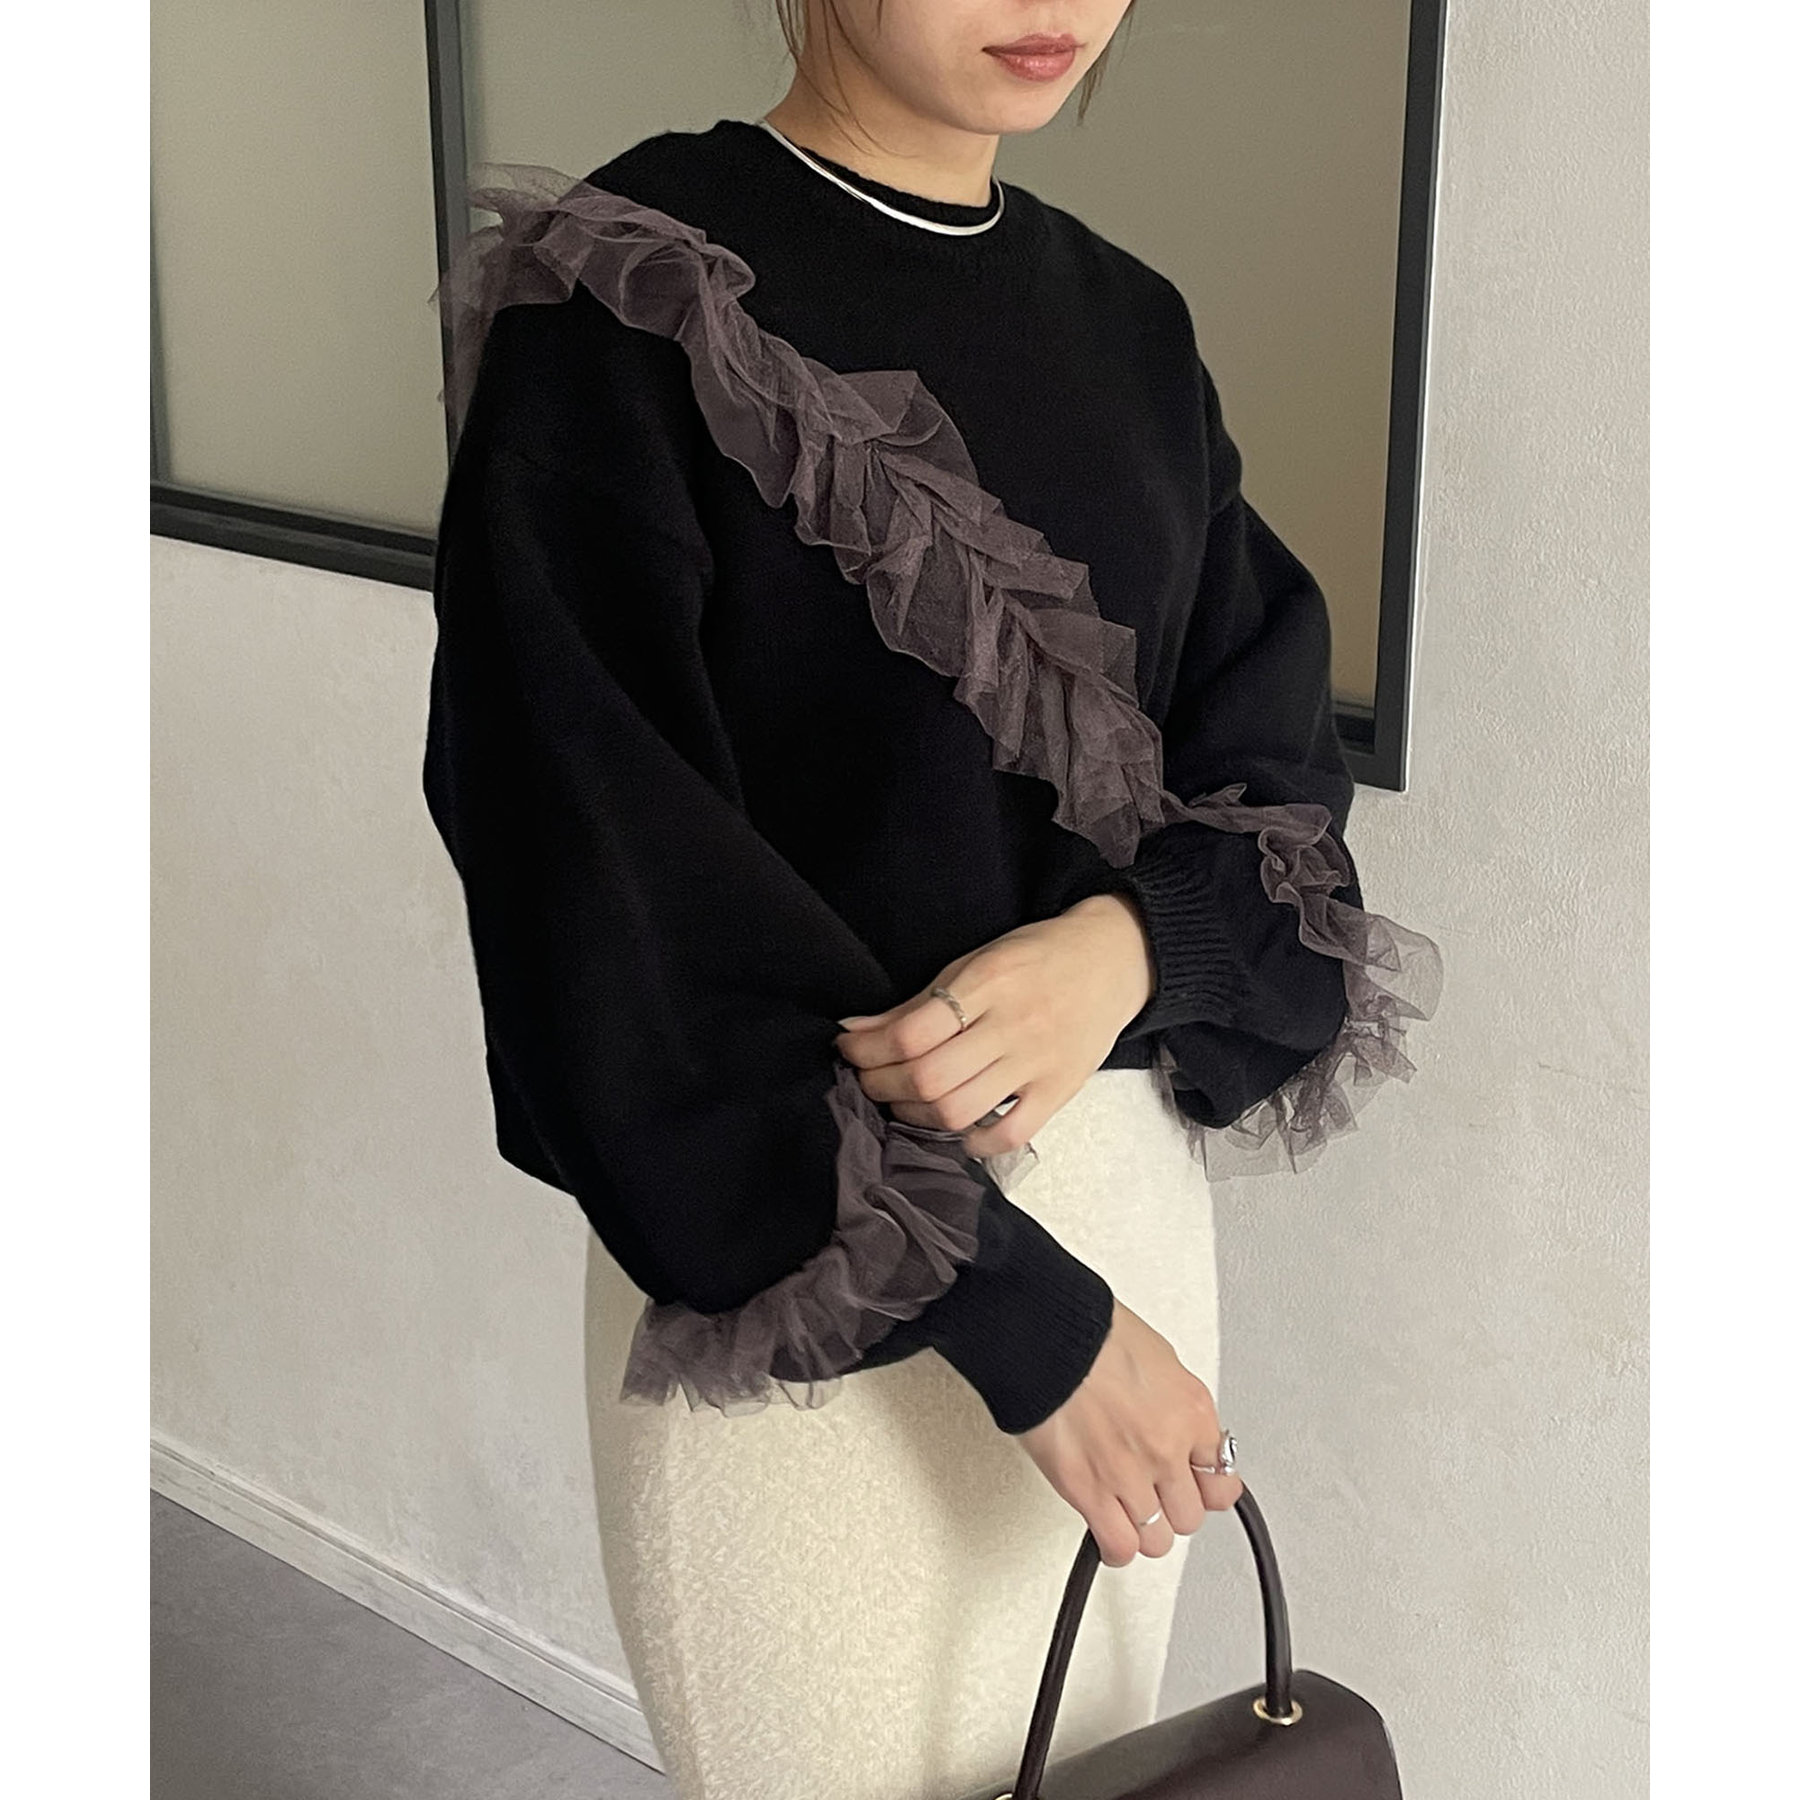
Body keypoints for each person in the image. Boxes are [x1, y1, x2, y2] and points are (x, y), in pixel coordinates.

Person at [422, 3, 1441, 1794]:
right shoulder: (624, 307)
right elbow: (595, 897)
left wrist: (1132, 947)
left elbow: (1277, 781)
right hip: (804, 1299)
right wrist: (1033, 1324)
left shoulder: (1133, 327)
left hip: (1134, 1237)